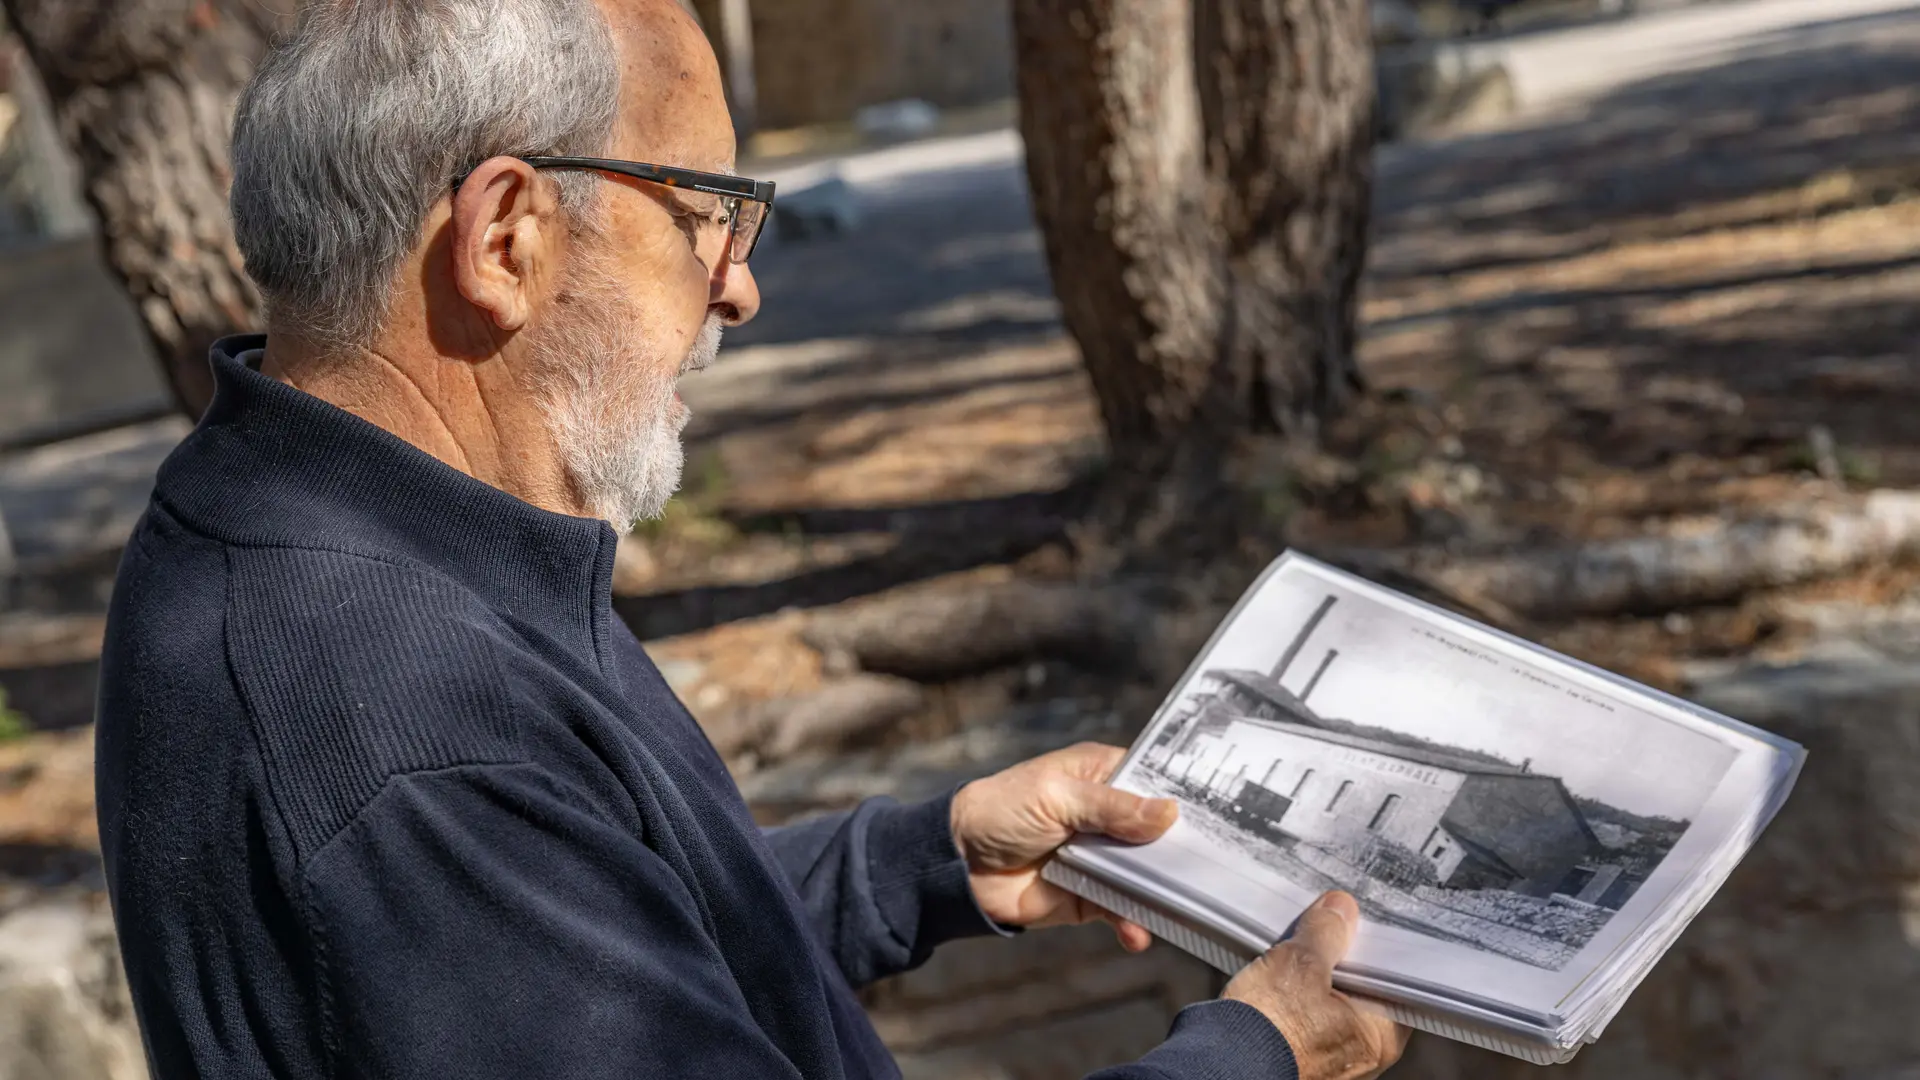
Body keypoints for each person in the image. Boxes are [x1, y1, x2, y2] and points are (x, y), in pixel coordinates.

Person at [94, 1, 1409, 1077]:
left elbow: (585, 923)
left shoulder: (336, 522)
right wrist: (1252, 1053)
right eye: (704, 210)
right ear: (507, 238)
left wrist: (925, 862)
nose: (740, 281)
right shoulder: (404, 720)